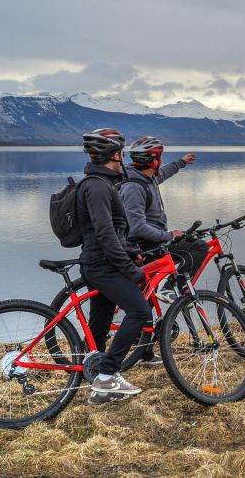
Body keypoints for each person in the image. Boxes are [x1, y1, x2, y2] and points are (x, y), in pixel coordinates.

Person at [78, 128, 149, 404]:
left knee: (101, 323)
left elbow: (114, 234)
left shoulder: (103, 183)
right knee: (139, 311)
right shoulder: (97, 186)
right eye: (120, 152)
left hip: (101, 263)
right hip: (101, 266)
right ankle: (108, 374)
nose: (123, 158)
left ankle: (99, 388)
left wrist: (131, 252)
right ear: (114, 154)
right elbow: (105, 235)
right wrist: (132, 271)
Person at [119, 136, 202, 364]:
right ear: (154, 159)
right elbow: (137, 227)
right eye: (160, 156)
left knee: (143, 300)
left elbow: (163, 173)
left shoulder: (148, 177)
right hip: (145, 245)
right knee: (197, 247)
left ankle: (143, 352)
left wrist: (182, 162)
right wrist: (169, 235)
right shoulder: (134, 187)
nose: (161, 161)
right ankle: (171, 289)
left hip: (148, 243)